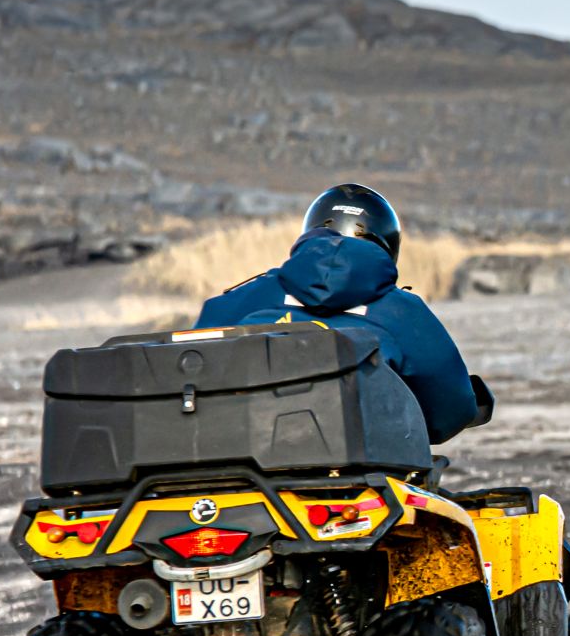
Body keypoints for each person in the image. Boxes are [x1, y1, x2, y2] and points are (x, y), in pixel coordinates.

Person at [196, 183, 487, 444]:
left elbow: (189, 365)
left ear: (310, 232)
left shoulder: (248, 297)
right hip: (363, 476)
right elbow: (453, 412)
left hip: (238, 459)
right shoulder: (403, 312)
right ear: (388, 244)